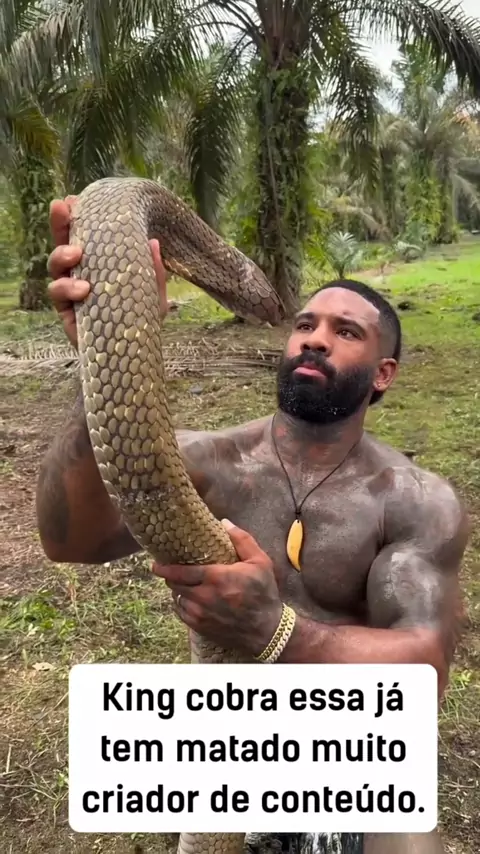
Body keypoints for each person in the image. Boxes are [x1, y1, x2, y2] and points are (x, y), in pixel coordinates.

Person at [37, 197, 469, 854]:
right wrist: (97, 351)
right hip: (229, 734)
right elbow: (69, 541)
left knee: (410, 843)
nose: (315, 338)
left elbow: (424, 670)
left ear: (384, 375)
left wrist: (276, 630)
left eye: (346, 332)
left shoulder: (413, 500)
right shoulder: (209, 463)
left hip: (351, 738)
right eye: (305, 324)